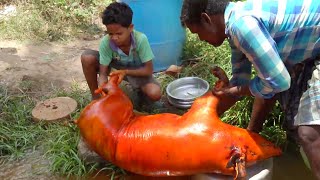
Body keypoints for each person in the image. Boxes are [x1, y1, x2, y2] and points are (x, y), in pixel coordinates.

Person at [180, 0, 320, 179]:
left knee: (309, 134)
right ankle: (263, 139)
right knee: (267, 89)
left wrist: (238, 90)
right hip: (307, 49)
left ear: (206, 19)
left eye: (198, 33)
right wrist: (226, 87)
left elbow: (278, 81)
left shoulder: (242, 26)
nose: (201, 40)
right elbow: (243, 82)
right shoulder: (234, 28)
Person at [81, 2, 161, 106]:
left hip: (137, 71)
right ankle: (96, 99)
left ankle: (140, 93)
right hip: (115, 70)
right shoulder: (106, 42)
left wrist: (125, 72)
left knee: (154, 93)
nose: (114, 38)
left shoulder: (141, 40)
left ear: (130, 27)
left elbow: (148, 70)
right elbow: (103, 74)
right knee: (87, 57)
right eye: (110, 33)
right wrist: (102, 90)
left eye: (119, 33)